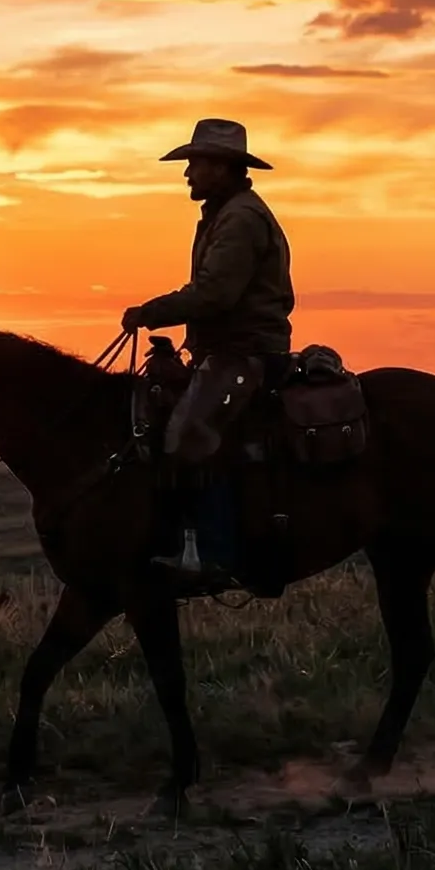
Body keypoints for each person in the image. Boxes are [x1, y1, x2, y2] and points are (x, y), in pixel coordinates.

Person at [117, 117, 295, 590]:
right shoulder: (226, 214)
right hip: (229, 349)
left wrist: (149, 311)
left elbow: (215, 294)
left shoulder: (239, 218)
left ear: (222, 167)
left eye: (195, 163)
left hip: (245, 353)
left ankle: (214, 556)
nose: (187, 173)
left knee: (189, 431)